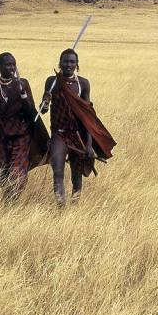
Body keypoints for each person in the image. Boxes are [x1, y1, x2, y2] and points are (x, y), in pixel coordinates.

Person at [40, 48, 115, 205]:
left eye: (72, 62)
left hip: (78, 134)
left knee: (76, 174)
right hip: (59, 134)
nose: (69, 64)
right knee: (58, 171)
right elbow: (43, 110)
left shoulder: (83, 84)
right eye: (66, 61)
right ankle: (60, 207)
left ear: (77, 64)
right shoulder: (52, 82)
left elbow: (87, 117)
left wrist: (89, 145)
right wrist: (45, 102)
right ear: (60, 63)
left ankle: (74, 205)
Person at [0, 52, 49, 199]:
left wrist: (24, 96)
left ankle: (12, 200)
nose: (11, 67)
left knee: (17, 171)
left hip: (21, 133)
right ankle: (7, 199)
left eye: (13, 64)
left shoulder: (22, 83)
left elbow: (30, 110)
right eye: (7, 64)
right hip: (0, 134)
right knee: (4, 171)